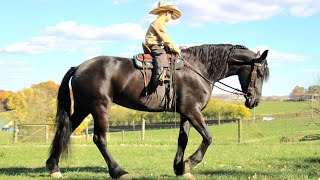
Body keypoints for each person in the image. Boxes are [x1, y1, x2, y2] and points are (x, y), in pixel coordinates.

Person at [145, 1, 181, 86]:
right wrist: (175, 48)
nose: (170, 17)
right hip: (153, 45)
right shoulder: (158, 22)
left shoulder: (160, 22)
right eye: (170, 14)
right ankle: (160, 76)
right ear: (166, 12)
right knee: (161, 54)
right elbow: (165, 38)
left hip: (157, 45)